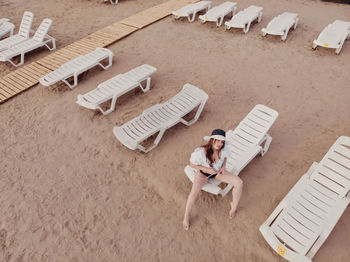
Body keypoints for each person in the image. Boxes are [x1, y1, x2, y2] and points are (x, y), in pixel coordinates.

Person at [183, 129, 243, 230]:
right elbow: (192, 164)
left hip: (217, 172)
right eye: (217, 140)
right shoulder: (201, 153)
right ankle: (186, 216)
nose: (220, 144)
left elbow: (225, 158)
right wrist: (206, 169)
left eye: (222, 141)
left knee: (239, 183)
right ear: (212, 140)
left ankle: (234, 206)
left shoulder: (224, 149)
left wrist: (223, 167)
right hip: (203, 173)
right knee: (193, 193)